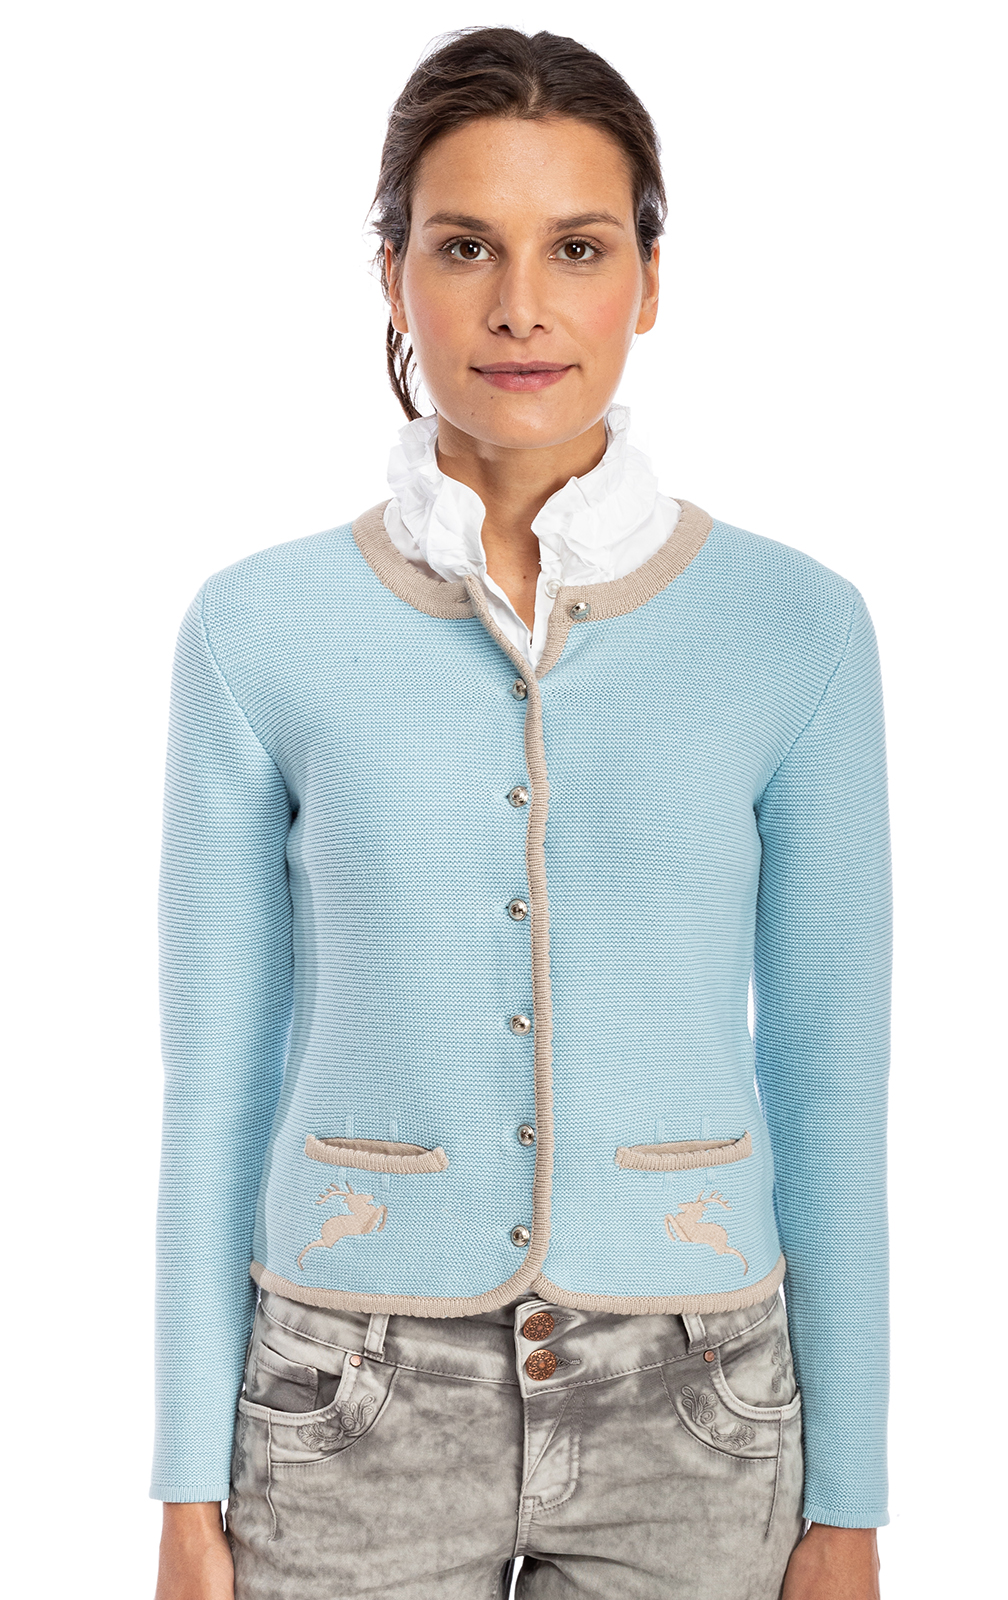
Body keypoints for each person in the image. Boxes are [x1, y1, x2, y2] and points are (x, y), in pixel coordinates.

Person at [152, 27, 890, 1600]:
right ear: (392, 274)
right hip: (343, 1403)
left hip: (700, 1408)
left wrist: (851, 1502)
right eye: (464, 245)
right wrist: (181, 1488)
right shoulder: (255, 628)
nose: (520, 307)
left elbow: (829, 1078)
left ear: (650, 278)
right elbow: (213, 1079)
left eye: (579, 247)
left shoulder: (799, 628)